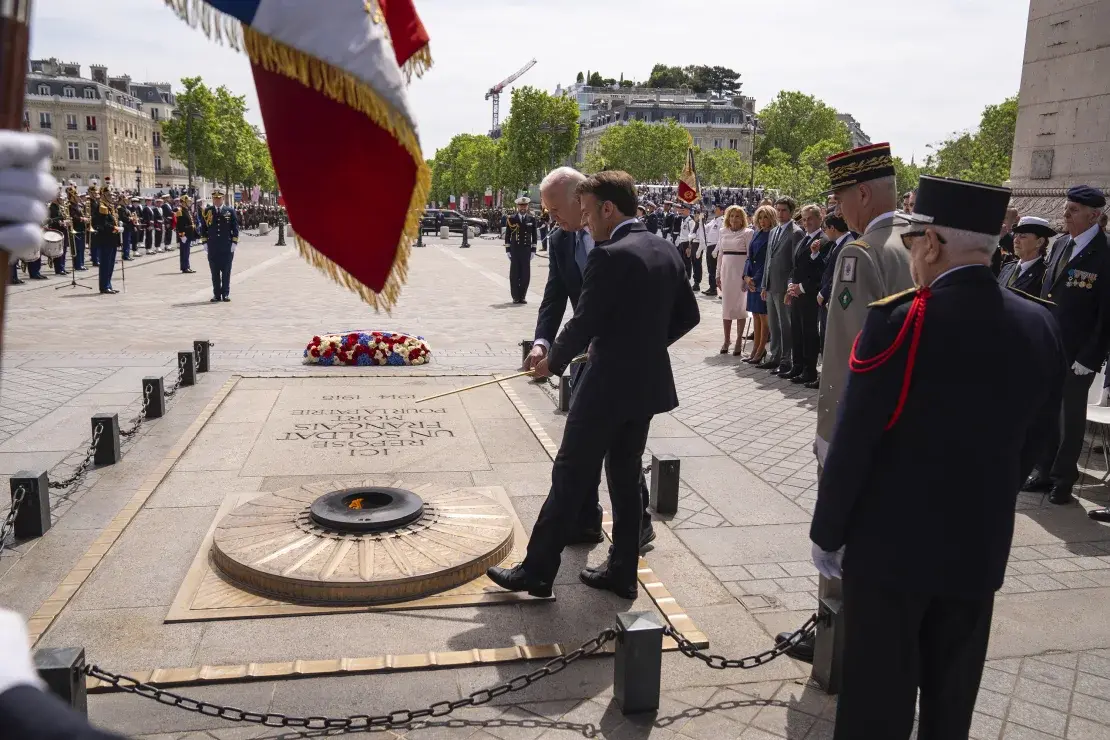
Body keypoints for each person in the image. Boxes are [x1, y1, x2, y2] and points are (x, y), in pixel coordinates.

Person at [811, 175, 1065, 740]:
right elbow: (1040, 442)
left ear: (931, 244)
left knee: (877, 704)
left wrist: (828, 532)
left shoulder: (899, 319)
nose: (911, 256)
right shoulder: (1041, 322)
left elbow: (855, 442)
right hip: (977, 547)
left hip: (889, 552)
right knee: (952, 705)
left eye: (912, 243)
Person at [488, 170, 699, 599]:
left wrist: (553, 361)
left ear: (608, 208)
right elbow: (689, 316)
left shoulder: (609, 253)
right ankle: (623, 571)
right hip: (646, 383)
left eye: (587, 213)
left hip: (605, 384)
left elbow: (585, 321)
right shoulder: (665, 249)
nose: (585, 222)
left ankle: (537, 571)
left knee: (570, 472)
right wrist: (645, 346)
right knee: (623, 474)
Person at [775, 144, 914, 662]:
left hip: (857, 426)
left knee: (839, 532)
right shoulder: (917, 242)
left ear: (862, 193)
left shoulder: (862, 253)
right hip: (902, 423)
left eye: (839, 195)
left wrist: (830, 433)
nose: (836, 207)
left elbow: (846, 356)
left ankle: (834, 631)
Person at [526, 167, 655, 550]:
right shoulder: (560, 241)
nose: (551, 218)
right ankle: (585, 519)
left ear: (579, 200)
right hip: (585, 358)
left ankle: (639, 523)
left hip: (620, 363)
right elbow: (554, 299)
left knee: (620, 448)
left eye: (554, 209)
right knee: (580, 443)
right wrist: (542, 343)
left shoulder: (623, 235)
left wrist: (641, 342)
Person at [1025, 186, 1110, 506]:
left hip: (1079, 353)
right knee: (1046, 412)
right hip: (1051, 346)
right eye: (1067, 208)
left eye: (1073, 210)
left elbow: (1105, 314)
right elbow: (1048, 297)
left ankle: (1064, 478)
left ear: (1094, 216)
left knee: (1069, 417)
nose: (1065, 214)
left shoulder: (1105, 253)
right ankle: (1043, 470)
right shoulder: (1060, 244)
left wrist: (1090, 356)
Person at [784, 204, 830, 384]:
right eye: (804, 219)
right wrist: (790, 286)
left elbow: (820, 272)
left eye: (810, 218)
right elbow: (795, 267)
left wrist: (801, 287)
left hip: (810, 295)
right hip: (796, 293)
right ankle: (798, 366)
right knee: (796, 330)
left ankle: (809, 370)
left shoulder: (824, 240)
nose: (806, 222)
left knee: (809, 333)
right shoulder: (804, 239)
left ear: (820, 219)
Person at [759, 197, 803, 374]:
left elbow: (795, 263)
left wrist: (790, 287)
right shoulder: (773, 231)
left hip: (784, 287)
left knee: (786, 325)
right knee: (774, 325)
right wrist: (764, 285)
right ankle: (774, 356)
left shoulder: (796, 232)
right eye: (777, 209)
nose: (780, 213)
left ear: (791, 212)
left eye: (784, 210)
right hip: (770, 285)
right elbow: (768, 260)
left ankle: (786, 360)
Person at [814, 213, 855, 388]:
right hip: (827, 299)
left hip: (833, 299)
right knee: (825, 337)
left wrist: (824, 292)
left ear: (832, 228)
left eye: (825, 228)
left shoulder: (847, 244)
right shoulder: (836, 244)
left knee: (830, 339)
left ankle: (830, 378)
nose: (824, 232)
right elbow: (828, 266)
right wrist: (815, 254)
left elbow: (839, 274)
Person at [716, 205, 753, 355]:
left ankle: (738, 339)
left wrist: (747, 276)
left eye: (737, 216)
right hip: (726, 272)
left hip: (740, 273)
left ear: (742, 218)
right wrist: (717, 274)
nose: (734, 219)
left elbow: (751, 256)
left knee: (740, 307)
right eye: (731, 216)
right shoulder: (722, 231)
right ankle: (726, 339)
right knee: (727, 307)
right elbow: (720, 254)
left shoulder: (748, 233)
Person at [743, 205, 775, 364]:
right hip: (752, 279)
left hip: (762, 280)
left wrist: (755, 278)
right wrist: (746, 276)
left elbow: (767, 260)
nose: (762, 221)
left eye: (766, 217)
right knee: (755, 314)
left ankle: (761, 349)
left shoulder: (772, 235)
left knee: (763, 316)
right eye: (760, 218)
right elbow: (750, 257)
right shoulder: (757, 233)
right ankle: (754, 349)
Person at [199, 189, 239, 302]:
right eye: (215, 198)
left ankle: (225, 293)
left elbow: (235, 228)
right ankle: (216, 294)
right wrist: (204, 242)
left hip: (226, 247)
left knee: (226, 271)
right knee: (214, 272)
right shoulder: (208, 211)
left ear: (223, 199)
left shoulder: (229, 211)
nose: (217, 200)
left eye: (219, 198)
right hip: (213, 247)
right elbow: (203, 228)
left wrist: (234, 242)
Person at [997, 216, 1052, 292]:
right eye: (1015, 235)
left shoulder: (1046, 276)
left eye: (1023, 236)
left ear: (1039, 242)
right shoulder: (1007, 268)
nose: (1016, 240)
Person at [504, 196, 539, 304]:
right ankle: (515, 296)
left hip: (526, 250)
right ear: (517, 206)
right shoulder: (511, 219)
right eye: (521, 206)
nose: (523, 207)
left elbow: (534, 235)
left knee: (525, 274)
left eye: (524, 205)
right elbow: (507, 235)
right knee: (514, 274)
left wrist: (533, 250)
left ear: (527, 206)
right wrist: (508, 250)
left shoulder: (531, 219)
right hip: (515, 249)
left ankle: (522, 296)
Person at [92, 189, 121, 294]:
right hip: (105, 239)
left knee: (111, 264)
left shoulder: (110, 207)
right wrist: (114, 227)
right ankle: (104, 286)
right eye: (109, 195)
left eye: (112, 195)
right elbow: (102, 224)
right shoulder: (101, 207)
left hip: (112, 239)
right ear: (103, 195)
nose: (111, 197)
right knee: (105, 264)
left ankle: (108, 285)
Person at [702, 204, 724, 297]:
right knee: (710, 268)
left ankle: (716, 288)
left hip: (715, 246)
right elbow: (704, 228)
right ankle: (712, 287)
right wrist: (701, 220)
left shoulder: (722, 221)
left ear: (722, 211)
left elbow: (721, 237)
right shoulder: (713, 220)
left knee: (715, 269)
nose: (715, 210)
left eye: (717, 209)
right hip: (709, 245)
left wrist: (716, 250)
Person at [992, 207, 1019, 277]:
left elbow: (1017, 254)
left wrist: (1004, 236)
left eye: (1005, 218)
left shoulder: (1019, 238)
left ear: (1016, 219)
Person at [46, 191, 68, 275]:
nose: (61, 199)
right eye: (58, 197)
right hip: (56, 231)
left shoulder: (60, 207)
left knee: (64, 250)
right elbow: (51, 220)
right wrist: (61, 219)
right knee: (58, 251)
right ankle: (58, 269)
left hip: (62, 230)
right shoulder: (52, 207)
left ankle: (62, 267)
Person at [176, 195, 197, 274]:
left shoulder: (186, 210)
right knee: (184, 252)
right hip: (184, 235)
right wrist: (182, 236)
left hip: (188, 234)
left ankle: (187, 266)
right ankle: (184, 267)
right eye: (188, 201)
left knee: (187, 251)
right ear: (183, 202)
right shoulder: (180, 211)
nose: (189, 203)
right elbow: (180, 225)